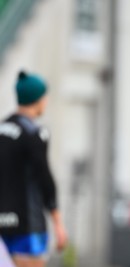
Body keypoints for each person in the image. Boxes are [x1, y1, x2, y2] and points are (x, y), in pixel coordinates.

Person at [0, 71, 67, 267]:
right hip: (27, 224)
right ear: (38, 100)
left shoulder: (1, 130)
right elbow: (44, 178)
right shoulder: (34, 133)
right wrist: (58, 222)